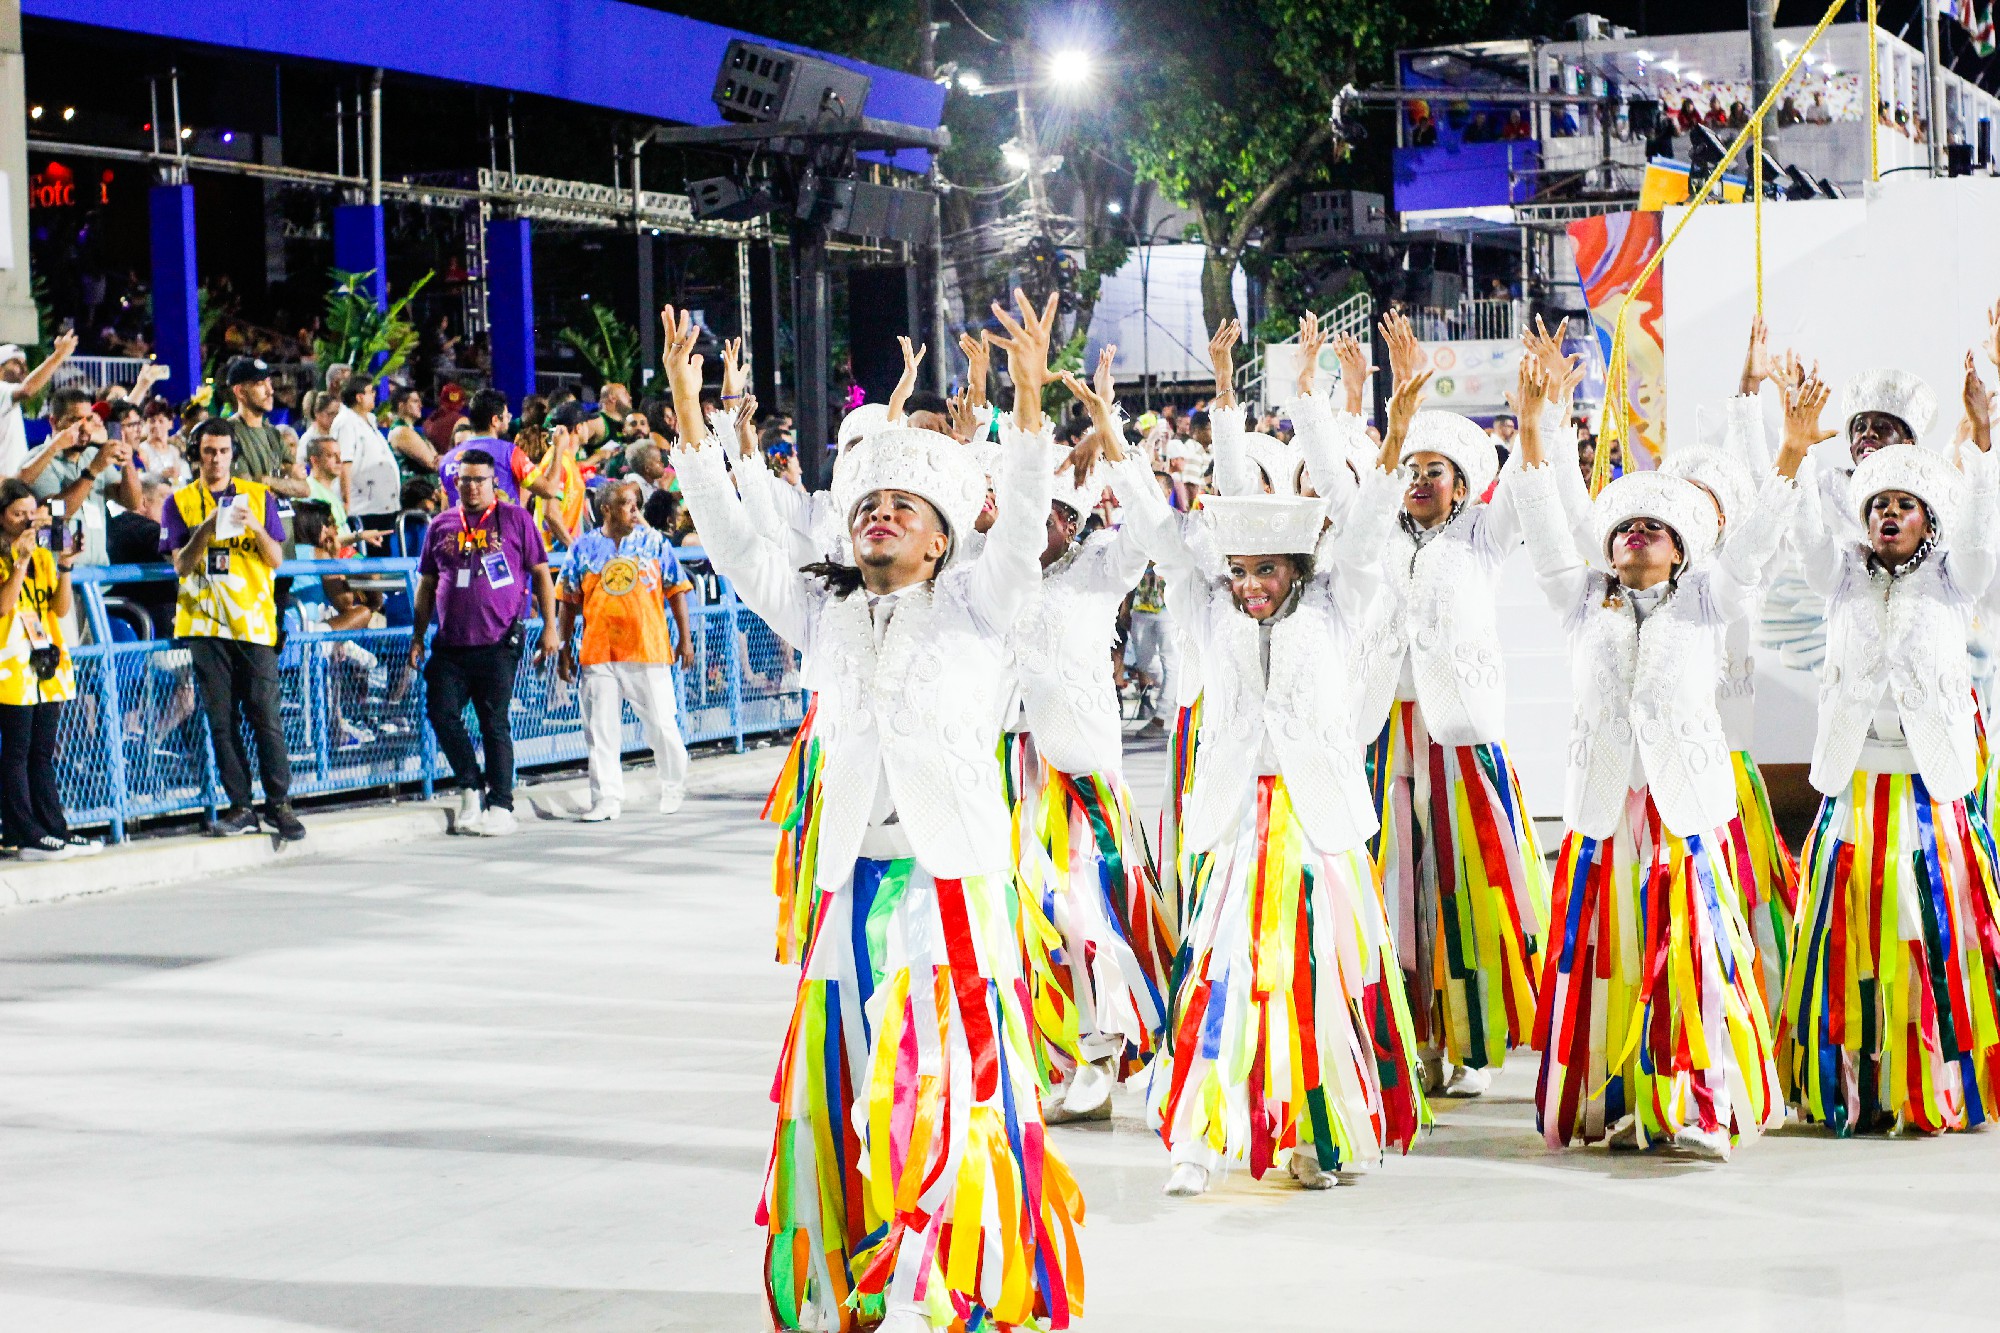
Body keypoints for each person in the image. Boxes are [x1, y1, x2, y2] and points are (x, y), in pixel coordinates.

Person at [671, 293, 1080, 1332]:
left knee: (934, 1079)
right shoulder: (823, 611)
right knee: (847, 1077)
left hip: (948, 889)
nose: (877, 514)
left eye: (902, 505)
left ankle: (947, 1281)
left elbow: (1023, 529)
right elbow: (732, 542)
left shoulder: (978, 609)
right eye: (865, 504)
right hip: (848, 884)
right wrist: (689, 427)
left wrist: (1026, 409)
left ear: (943, 539)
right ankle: (856, 1273)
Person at [1116, 320, 1426, 1199]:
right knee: (1225, 967)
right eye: (1240, 569)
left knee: (1315, 973)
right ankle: (1200, 1133)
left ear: (1296, 565)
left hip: (1317, 823)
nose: (1251, 583)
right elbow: (1176, 519)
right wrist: (1213, 398)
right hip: (1236, 822)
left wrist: (1393, 428)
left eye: (1267, 570)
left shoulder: (1340, 601)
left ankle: (1309, 1136)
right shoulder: (1208, 607)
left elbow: (1366, 521)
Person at [1511, 353, 1807, 1160]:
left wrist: (1788, 456)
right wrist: (1537, 429)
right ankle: (1615, 1102)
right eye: (1626, 528)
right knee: (1609, 959)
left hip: (1682, 811)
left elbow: (1751, 549)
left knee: (1696, 957)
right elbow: (1545, 532)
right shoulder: (1582, 600)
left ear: (1682, 550)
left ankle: (1701, 1105)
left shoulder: (1710, 601)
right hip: (1604, 813)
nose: (1638, 537)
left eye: (1655, 529)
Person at [1313, 308, 1551, 1099]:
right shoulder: (1374, 534)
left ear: (1462, 485)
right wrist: (1385, 412)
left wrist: (1536, 415)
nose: (1418, 479)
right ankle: (1405, 1039)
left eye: (1434, 470)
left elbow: (1527, 484)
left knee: (1458, 884)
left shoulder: (1482, 536)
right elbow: (1341, 470)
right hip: (1379, 734)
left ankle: (1462, 1036)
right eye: (1411, 467)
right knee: (1390, 889)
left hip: (1458, 738)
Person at [1781, 357, 2000, 1135]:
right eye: (1878, 504)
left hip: (1928, 793)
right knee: (1848, 936)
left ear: (1927, 519)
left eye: (1906, 504)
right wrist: (1799, 448)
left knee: (1927, 929)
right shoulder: (1837, 573)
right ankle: (1855, 1087)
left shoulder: (1953, 575)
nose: (1889, 514)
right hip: (1853, 790)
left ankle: (1934, 1084)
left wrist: (1979, 435)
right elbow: (1804, 528)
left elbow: (1980, 528)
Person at [1004, 346, 1177, 1125]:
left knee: (1087, 916)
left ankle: (1106, 1055)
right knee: (1027, 922)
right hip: (1010, 783)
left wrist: (1112, 435)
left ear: (1070, 519)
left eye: (1040, 509)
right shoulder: (994, 573)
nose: (1023, 521)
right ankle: (1061, 1056)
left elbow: (1149, 529)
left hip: (1081, 785)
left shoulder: (1099, 571)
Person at [162, 419, 307, 842]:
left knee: (266, 715)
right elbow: (181, 565)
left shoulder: (259, 497)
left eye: (224, 451)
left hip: (253, 623)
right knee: (221, 722)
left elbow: (277, 559)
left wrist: (256, 527)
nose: (217, 459)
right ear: (197, 455)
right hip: (205, 625)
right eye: (209, 451)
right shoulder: (179, 502)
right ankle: (240, 806)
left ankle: (280, 804)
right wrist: (207, 527)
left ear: (233, 455)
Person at [408, 448, 560, 838]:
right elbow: (427, 583)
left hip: (498, 640)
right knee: (441, 712)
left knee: (494, 721)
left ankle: (501, 804)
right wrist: (417, 635)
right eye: (465, 480)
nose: (472, 487)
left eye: (480, 480)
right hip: (450, 643)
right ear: (454, 483)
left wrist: (550, 626)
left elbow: (541, 573)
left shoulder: (515, 519)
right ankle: (471, 785)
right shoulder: (441, 524)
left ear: (494, 483)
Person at [556, 480, 696, 822]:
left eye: (637, 504)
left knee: (662, 725)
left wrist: (685, 639)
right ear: (606, 509)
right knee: (601, 731)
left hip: (648, 649)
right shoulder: (583, 548)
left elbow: (676, 590)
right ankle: (606, 799)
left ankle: (672, 784)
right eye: (627, 504)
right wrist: (564, 648)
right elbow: (567, 601)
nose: (635, 511)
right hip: (599, 652)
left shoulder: (654, 543)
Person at [0, 478, 97, 860]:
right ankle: (25, 834)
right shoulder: (16, 555)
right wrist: (20, 558)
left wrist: (66, 565)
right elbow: (5, 606)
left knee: (43, 751)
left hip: (46, 660)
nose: (27, 521)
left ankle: (53, 827)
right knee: (17, 751)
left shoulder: (42, 554)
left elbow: (59, 609)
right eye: (17, 513)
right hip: (9, 664)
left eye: (31, 512)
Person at [222, 357, 309, 498]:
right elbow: (246, 488)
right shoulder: (228, 433)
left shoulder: (273, 433)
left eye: (269, 382)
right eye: (260, 384)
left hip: (279, 519)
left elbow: (304, 489)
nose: (270, 391)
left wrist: (265, 480)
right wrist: (283, 481)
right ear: (240, 392)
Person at [0, 333, 77, 478]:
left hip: (13, 485)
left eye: (24, 364)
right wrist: (58, 355)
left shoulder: (8, 399)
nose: (24, 369)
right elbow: (27, 390)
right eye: (16, 363)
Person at [332, 378, 402, 530]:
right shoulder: (346, 422)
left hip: (379, 507)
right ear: (359, 397)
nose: (375, 395)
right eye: (371, 391)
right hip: (362, 509)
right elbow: (345, 463)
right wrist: (346, 502)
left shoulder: (369, 420)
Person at [133, 396, 191, 487]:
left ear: (170, 424)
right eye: (152, 421)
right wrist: (161, 476)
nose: (156, 425)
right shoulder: (142, 450)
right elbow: (141, 478)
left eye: (161, 421)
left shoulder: (174, 450)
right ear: (145, 424)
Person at [383, 384, 438, 476]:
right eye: (415, 401)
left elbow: (436, 458)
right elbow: (433, 463)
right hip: (410, 487)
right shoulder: (401, 431)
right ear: (401, 406)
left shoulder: (414, 431)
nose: (420, 405)